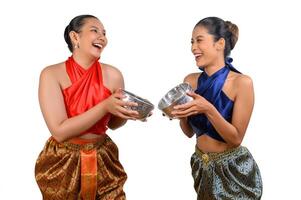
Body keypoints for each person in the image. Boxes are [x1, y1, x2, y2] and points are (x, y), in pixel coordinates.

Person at [35, 14, 142, 200]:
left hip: (103, 157)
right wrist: (105, 106)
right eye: (95, 31)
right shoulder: (51, 74)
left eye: (104, 33)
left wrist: (126, 112)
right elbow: (59, 131)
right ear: (75, 37)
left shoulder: (114, 75)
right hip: (62, 161)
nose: (102, 37)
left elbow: (115, 124)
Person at [172, 17, 263, 199]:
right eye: (191, 42)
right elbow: (189, 132)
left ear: (219, 43)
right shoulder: (190, 81)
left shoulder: (242, 83)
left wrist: (208, 109)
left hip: (233, 171)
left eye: (199, 40)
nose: (193, 48)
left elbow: (235, 139)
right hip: (201, 167)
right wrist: (181, 113)